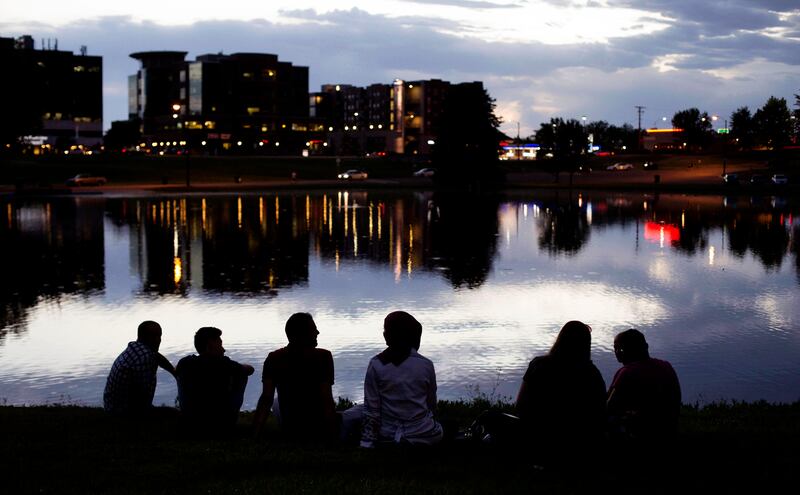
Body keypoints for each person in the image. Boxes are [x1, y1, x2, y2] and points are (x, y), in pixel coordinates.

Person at [515, 320, 607, 447]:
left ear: (560, 340)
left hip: (536, 437)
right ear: (586, 345)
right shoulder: (592, 374)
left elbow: (520, 405)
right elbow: (599, 411)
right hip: (577, 441)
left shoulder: (539, 365)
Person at [359, 311, 443, 448]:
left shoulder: (375, 364)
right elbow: (431, 404)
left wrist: (367, 443)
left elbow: (371, 410)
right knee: (444, 427)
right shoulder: (426, 365)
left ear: (387, 337)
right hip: (423, 434)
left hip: (387, 436)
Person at [253, 313, 337, 440]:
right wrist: (332, 435)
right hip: (317, 428)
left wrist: (255, 435)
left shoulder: (274, 358)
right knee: (360, 411)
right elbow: (326, 399)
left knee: (275, 401)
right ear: (303, 335)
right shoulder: (323, 357)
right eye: (314, 329)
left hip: (289, 427)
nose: (318, 332)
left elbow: (266, 399)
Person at [607, 329, 681, 440]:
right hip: (669, 429)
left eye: (620, 348)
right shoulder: (665, 365)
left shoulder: (627, 372)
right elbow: (676, 397)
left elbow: (608, 407)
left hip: (643, 433)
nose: (617, 352)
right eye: (615, 348)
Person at [176, 327, 254, 431]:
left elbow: (176, 369)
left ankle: (189, 417)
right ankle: (227, 421)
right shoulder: (223, 364)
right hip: (219, 425)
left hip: (191, 424)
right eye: (220, 344)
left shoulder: (185, 362)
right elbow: (250, 369)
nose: (223, 349)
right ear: (209, 347)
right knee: (241, 375)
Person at [103, 320, 176, 415]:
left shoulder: (134, 348)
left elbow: (156, 356)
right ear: (144, 337)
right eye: (154, 336)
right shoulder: (145, 358)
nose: (159, 340)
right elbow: (141, 396)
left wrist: (173, 371)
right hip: (124, 412)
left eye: (160, 335)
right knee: (175, 414)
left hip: (111, 406)